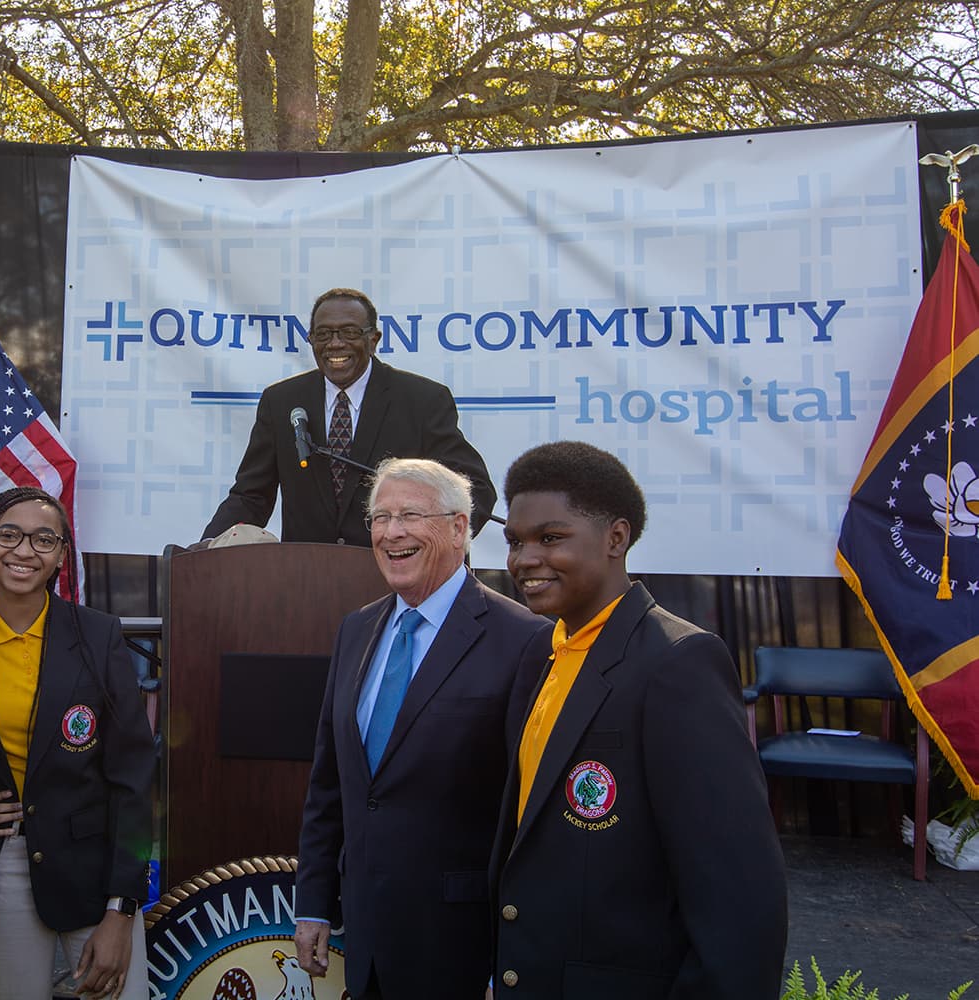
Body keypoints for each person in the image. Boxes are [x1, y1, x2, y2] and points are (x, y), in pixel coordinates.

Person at [490, 441, 787, 999]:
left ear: (616, 538)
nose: (525, 559)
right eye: (515, 541)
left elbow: (740, 897)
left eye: (550, 538)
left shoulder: (679, 663)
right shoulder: (539, 654)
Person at [294, 458, 550, 998]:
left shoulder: (525, 641)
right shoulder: (356, 629)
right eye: (380, 518)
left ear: (460, 527)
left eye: (411, 514)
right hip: (365, 939)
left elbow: (530, 815)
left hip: (462, 945)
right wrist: (314, 903)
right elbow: (331, 784)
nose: (392, 532)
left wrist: (512, 956)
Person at [0, 486, 155, 1000]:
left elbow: (133, 777)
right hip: (3, 870)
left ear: (63, 554)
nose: (24, 551)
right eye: (9, 535)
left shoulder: (98, 636)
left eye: (44, 539)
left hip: (97, 873)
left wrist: (121, 910)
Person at [201, 287, 495, 547]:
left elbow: (475, 490)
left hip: (396, 578)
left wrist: (433, 544)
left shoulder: (422, 400)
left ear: (373, 339)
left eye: (349, 332)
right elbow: (251, 496)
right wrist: (205, 548)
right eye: (324, 334)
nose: (335, 344)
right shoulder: (281, 402)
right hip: (307, 581)